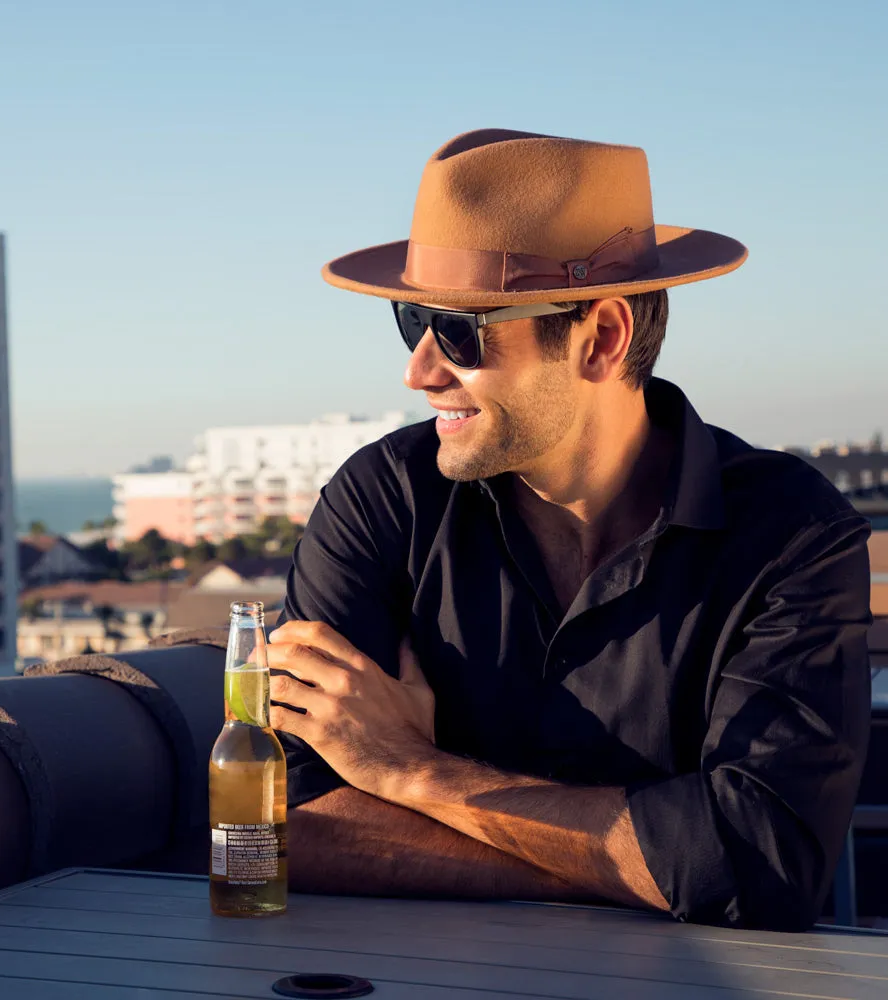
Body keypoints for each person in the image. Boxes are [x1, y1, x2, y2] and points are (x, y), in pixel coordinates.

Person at [265, 129, 872, 930]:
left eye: (460, 330)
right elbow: (281, 828)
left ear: (604, 338)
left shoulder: (792, 533)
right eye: (411, 320)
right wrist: (648, 867)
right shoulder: (383, 501)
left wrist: (411, 772)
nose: (417, 369)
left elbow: (762, 861)